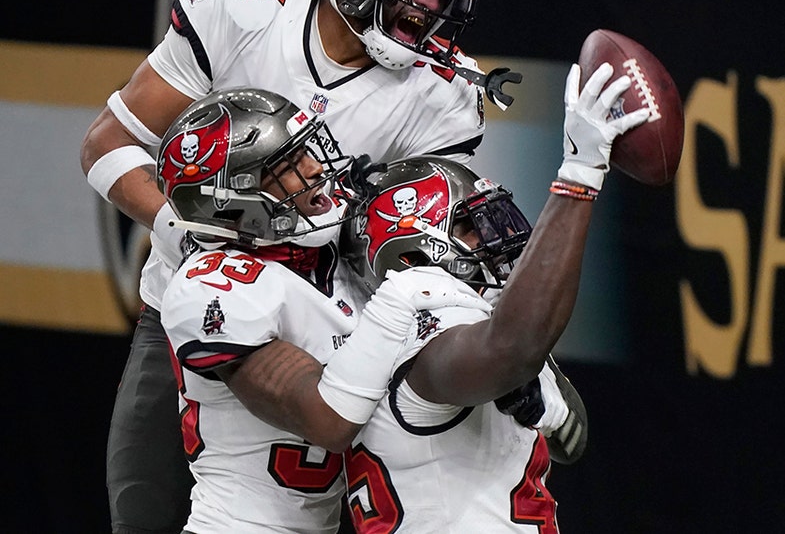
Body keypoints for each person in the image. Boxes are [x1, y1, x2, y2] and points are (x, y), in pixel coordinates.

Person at [79, 0, 533, 534]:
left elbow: (412, 252)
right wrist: (185, 229)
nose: (428, 5)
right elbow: (109, 141)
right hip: (197, 319)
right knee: (145, 514)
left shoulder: (444, 95)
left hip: (333, 337)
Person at [223, 58, 647, 531]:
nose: (494, 236)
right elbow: (513, 349)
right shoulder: (426, 327)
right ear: (410, 256)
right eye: (470, 225)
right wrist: (579, 175)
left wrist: (539, 396)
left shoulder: (465, 329)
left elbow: (570, 438)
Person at [156, 88, 363, 533]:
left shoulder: (329, 256)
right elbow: (327, 419)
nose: (313, 170)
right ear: (232, 201)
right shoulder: (212, 288)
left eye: (305, 152)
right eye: (287, 168)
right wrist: (401, 318)